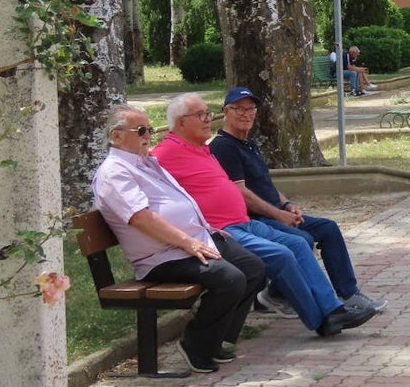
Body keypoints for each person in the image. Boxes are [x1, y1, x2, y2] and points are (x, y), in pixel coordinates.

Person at [153, 93, 379, 337]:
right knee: (283, 253)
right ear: (180, 122)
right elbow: (145, 181)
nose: (208, 119)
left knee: (298, 243)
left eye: (207, 113)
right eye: (200, 115)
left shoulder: (202, 149)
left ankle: (333, 309)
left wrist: (286, 204)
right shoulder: (166, 153)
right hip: (222, 230)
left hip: (244, 222)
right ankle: (323, 320)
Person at [91, 105, 267, 374]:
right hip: (162, 256)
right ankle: (195, 345)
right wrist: (188, 242)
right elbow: (141, 218)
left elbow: (176, 199)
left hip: (193, 239)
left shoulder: (143, 161)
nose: (148, 135)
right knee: (230, 279)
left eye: (149, 129)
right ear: (116, 136)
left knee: (254, 268)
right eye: (141, 130)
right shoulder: (115, 172)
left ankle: (216, 338)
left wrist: (204, 229)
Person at [210, 87, 387, 315]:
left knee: (328, 229)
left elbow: (266, 184)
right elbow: (240, 193)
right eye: (238, 109)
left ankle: (348, 294)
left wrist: (287, 205)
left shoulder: (248, 143)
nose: (246, 114)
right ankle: (278, 295)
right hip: (256, 220)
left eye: (250, 109)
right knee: (301, 240)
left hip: (274, 212)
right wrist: (279, 215)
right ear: (225, 111)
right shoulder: (223, 146)